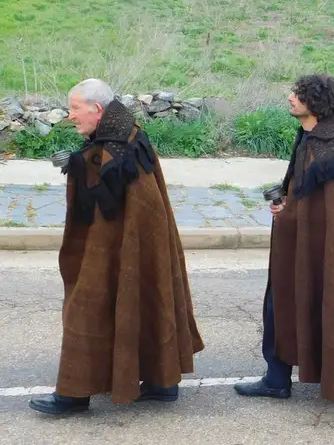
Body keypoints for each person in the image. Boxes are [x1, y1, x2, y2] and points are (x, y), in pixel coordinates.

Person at [29, 79, 204, 416]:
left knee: (87, 303)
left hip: (111, 245)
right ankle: (161, 382)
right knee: (147, 292)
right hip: (133, 242)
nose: (71, 115)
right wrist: (81, 162)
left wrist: (82, 165)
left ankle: (73, 394)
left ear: (96, 109)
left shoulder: (115, 147)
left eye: (75, 108)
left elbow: (107, 203)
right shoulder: (126, 133)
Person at [234, 74, 334, 402]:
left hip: (323, 251)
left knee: (329, 304)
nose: (291, 97)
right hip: (298, 244)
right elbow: (308, 196)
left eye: (299, 94)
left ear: (316, 103)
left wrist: (292, 213)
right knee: (279, 305)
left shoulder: (331, 148)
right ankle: (276, 378)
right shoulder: (310, 139)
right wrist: (289, 207)